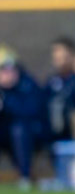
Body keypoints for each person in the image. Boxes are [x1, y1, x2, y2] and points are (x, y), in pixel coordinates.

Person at [0, 49, 47, 183]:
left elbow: (31, 111)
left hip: (30, 133)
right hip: (4, 133)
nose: (8, 74)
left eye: (11, 69)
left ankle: (24, 176)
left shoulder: (28, 84)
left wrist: (7, 105)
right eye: (3, 69)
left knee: (19, 130)